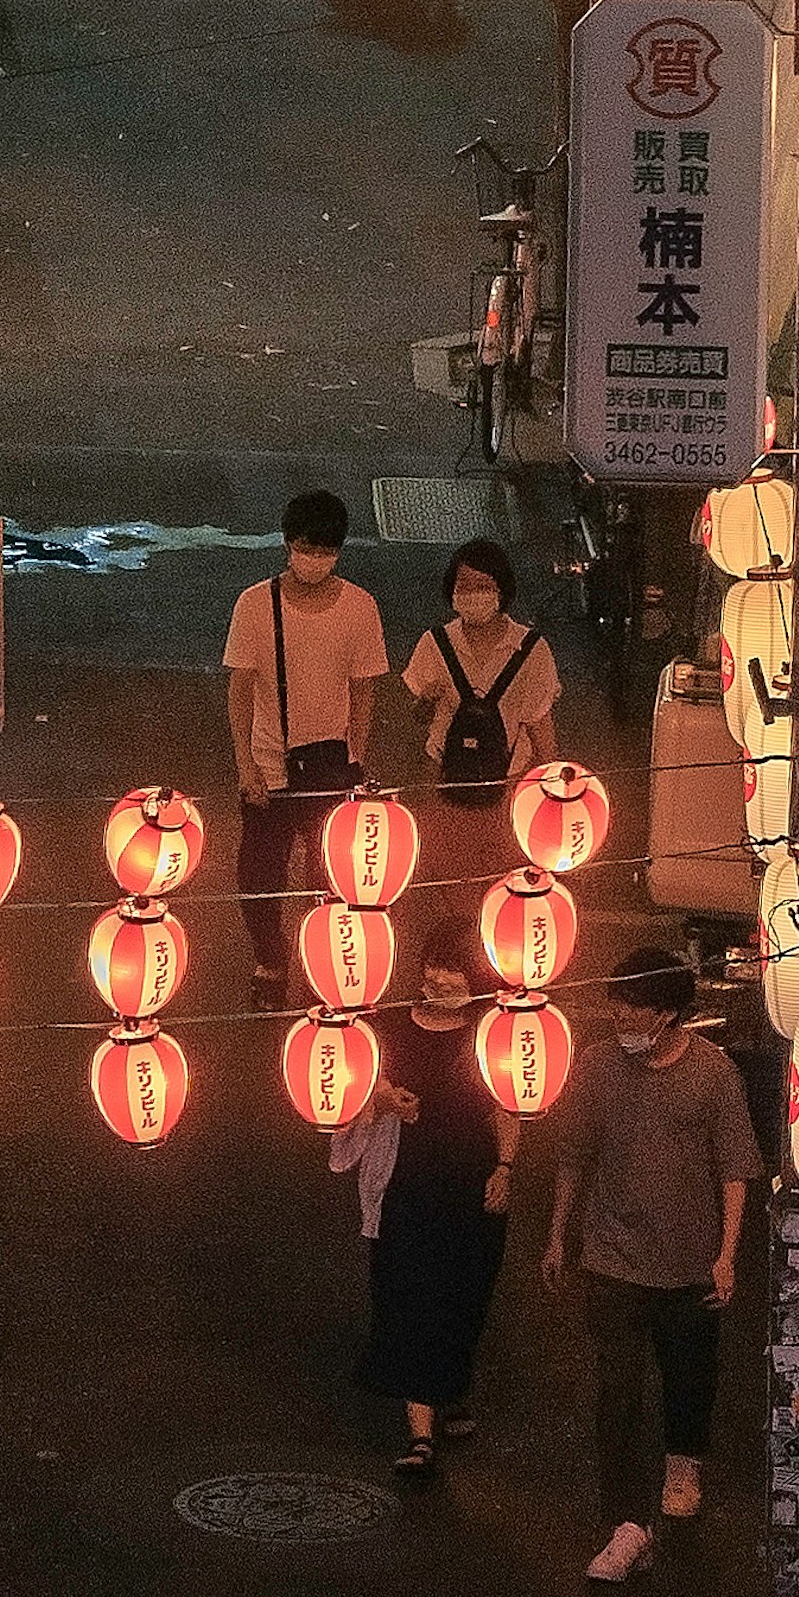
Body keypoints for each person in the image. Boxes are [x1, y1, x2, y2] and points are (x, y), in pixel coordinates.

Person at [539, 946, 757, 1586]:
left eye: (631, 1006)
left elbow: (736, 1168)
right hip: (612, 1260)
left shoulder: (713, 1075)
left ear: (667, 1013)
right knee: (617, 1390)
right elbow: (575, 1154)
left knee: (689, 1379)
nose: (618, 1017)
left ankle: (683, 1463)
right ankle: (622, 1518)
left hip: (688, 1267)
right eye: (615, 1003)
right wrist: (559, 1234)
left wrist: (726, 1255)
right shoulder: (598, 1067)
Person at [339, 952, 522, 1476]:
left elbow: (505, 1107)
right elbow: (357, 1086)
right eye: (434, 967)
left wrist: (505, 1167)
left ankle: (448, 1385)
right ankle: (421, 1434)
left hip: (471, 1186)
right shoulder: (391, 1029)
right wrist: (383, 1099)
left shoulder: (490, 1036)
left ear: (475, 983)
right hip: (404, 1186)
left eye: (454, 971)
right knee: (409, 1295)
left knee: (464, 1296)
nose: (440, 977)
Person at [223, 492, 390, 1010]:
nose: (314, 559)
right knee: (259, 876)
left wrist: (356, 759)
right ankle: (270, 962)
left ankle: (330, 970)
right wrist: (246, 765)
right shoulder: (256, 604)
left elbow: (364, 691)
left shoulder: (360, 608)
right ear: (287, 544)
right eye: (305, 547)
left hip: (331, 765)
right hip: (271, 765)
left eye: (325, 550)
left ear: (339, 551)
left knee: (332, 880)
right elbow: (241, 689)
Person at [402, 537, 561, 901]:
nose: (472, 595)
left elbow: (541, 727)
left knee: (500, 881)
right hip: (445, 781)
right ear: (451, 592)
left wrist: (551, 793)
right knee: (447, 879)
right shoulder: (435, 643)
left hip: (507, 786)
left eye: (482, 586)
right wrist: (426, 701)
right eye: (464, 586)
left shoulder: (531, 650)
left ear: (501, 591)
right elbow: (416, 716)